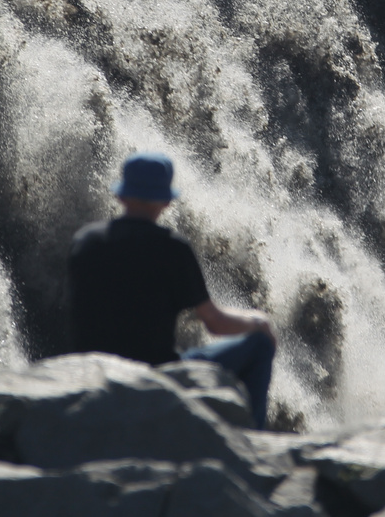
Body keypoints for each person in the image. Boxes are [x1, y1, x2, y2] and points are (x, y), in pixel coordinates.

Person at [67, 152, 277, 428]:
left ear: (120, 196)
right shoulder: (173, 248)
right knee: (259, 344)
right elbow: (214, 322)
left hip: (93, 371)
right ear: (166, 201)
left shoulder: (84, 241)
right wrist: (258, 322)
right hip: (156, 374)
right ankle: (254, 437)